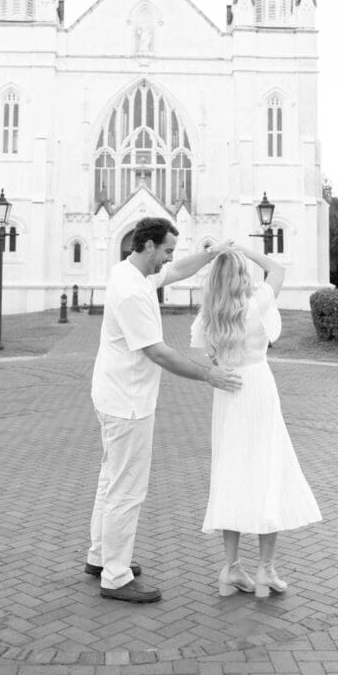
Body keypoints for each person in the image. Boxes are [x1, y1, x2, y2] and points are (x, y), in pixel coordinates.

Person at [86, 217, 242, 604]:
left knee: (110, 478)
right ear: (149, 246)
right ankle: (116, 576)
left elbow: (174, 271)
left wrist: (211, 254)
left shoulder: (131, 271)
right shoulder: (131, 293)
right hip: (127, 402)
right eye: (167, 250)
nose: (169, 257)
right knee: (127, 489)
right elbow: (157, 352)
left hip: (114, 393)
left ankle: (100, 556)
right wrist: (209, 374)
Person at [191, 245, 322, 598]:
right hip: (259, 389)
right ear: (242, 275)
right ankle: (265, 569)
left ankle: (231, 568)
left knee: (231, 473)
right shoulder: (257, 302)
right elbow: (278, 269)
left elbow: (210, 356)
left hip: (229, 392)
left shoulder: (209, 316)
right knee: (267, 471)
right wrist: (243, 249)